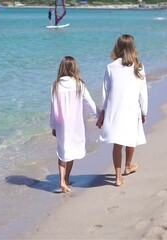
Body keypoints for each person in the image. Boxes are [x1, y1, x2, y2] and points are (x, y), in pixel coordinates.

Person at [96, 34, 148, 187]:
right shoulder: (139, 66)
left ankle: (118, 176)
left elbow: (105, 93)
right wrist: (144, 111)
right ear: (133, 48)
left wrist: (103, 112)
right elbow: (142, 92)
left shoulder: (110, 67)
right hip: (132, 108)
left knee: (117, 143)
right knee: (130, 138)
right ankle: (128, 165)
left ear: (117, 47)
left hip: (115, 109)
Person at [50, 56, 99, 193]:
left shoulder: (56, 85)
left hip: (61, 124)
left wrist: (52, 125)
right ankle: (66, 179)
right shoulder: (79, 84)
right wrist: (100, 116)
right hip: (76, 124)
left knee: (62, 151)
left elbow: (53, 108)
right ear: (74, 69)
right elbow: (89, 103)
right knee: (70, 152)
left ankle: (62, 181)